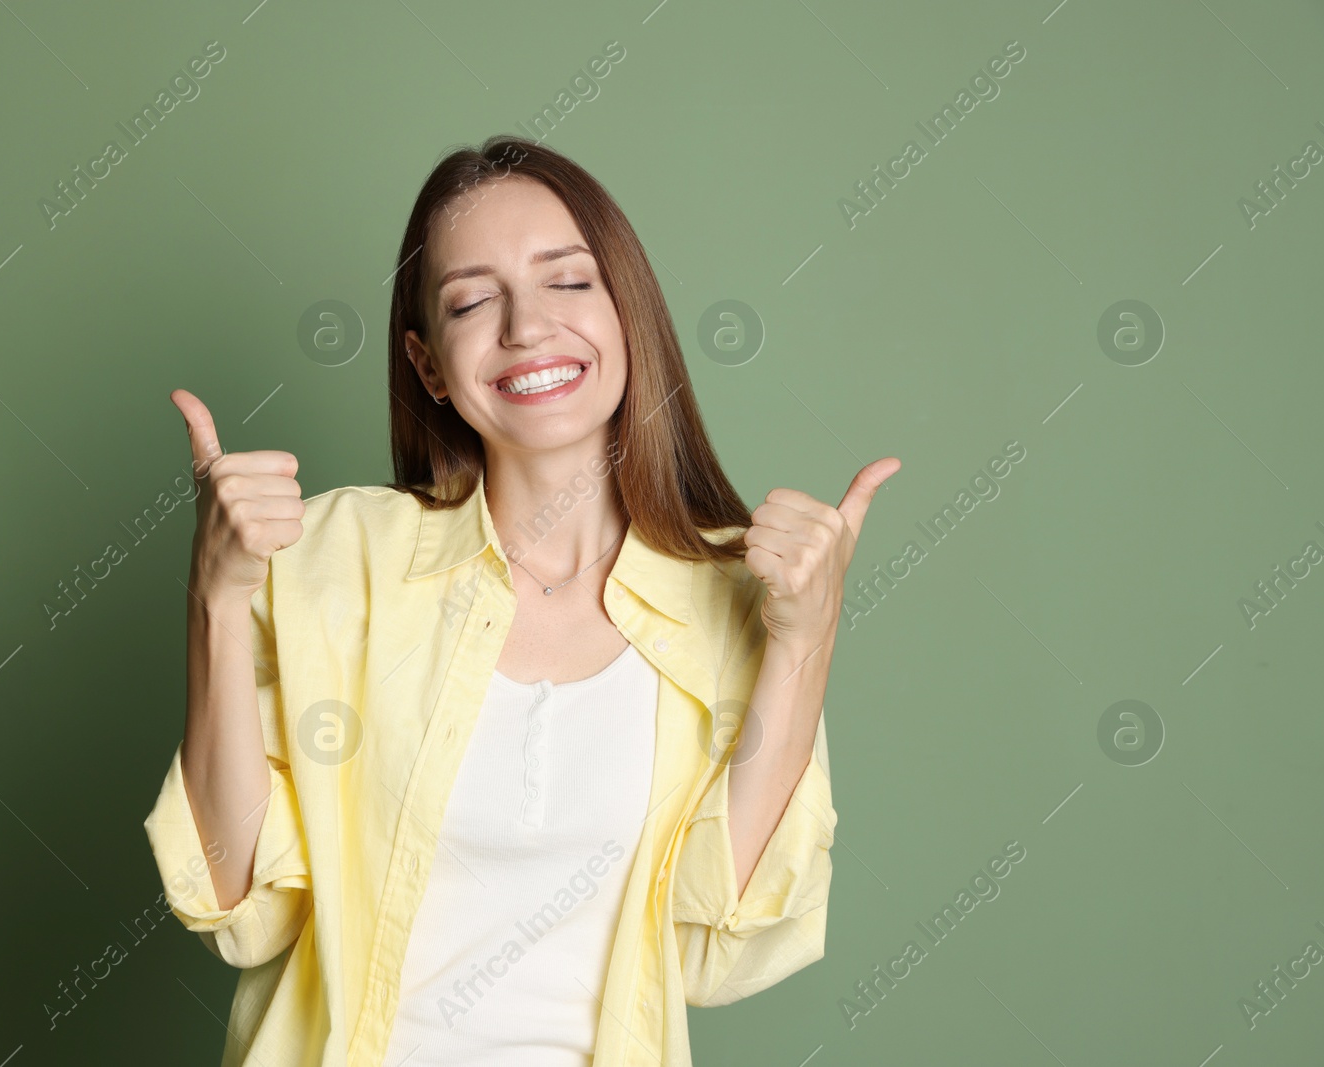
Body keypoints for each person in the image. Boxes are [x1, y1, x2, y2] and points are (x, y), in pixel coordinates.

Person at [144, 134, 899, 1067]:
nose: (527, 326)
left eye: (569, 282)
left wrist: (807, 640)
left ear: (630, 316)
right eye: (471, 299)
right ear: (429, 367)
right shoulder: (326, 558)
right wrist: (215, 599)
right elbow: (237, 906)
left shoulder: (743, 594)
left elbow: (722, 945)